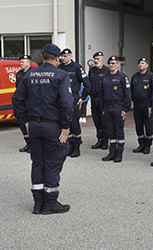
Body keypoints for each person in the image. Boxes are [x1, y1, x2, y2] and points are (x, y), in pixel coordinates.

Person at [12, 43, 73, 214]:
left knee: (37, 163)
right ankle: (49, 204)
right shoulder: (61, 75)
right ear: (56, 59)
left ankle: (38, 203)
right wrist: (66, 126)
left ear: (41, 57)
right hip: (53, 126)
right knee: (52, 163)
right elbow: (67, 103)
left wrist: (25, 120)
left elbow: (16, 99)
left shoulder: (29, 75)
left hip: (35, 126)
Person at [58, 48, 91, 158]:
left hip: (73, 97)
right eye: (62, 56)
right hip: (62, 98)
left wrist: (83, 97)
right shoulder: (59, 67)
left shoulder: (77, 67)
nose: (64, 58)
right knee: (64, 122)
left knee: (74, 124)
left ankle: (76, 147)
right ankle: (69, 147)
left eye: (66, 56)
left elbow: (87, 83)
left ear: (71, 56)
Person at [100, 56, 132, 163]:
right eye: (110, 63)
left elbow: (128, 95)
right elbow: (101, 94)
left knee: (119, 131)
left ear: (118, 64)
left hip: (118, 106)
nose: (111, 65)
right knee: (110, 131)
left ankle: (119, 153)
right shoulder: (104, 77)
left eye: (113, 63)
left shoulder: (123, 77)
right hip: (107, 107)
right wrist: (103, 108)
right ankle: (112, 152)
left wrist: (125, 109)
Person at [131, 57, 153, 154]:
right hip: (137, 104)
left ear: (147, 65)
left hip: (147, 105)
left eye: (143, 63)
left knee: (148, 125)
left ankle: (147, 145)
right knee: (138, 125)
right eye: (140, 63)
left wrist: (151, 105)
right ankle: (141, 144)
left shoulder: (151, 76)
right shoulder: (135, 76)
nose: (141, 64)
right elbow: (131, 90)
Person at [88, 51, 110, 150]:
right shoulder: (92, 70)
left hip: (103, 99)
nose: (96, 61)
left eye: (98, 59)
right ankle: (99, 140)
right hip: (94, 98)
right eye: (95, 59)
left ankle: (105, 141)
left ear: (102, 59)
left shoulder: (107, 70)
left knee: (104, 121)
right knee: (97, 120)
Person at [15, 55, 33, 153]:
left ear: (28, 63)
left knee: (30, 124)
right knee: (22, 124)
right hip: (21, 103)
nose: (21, 63)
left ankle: (33, 144)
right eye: (20, 62)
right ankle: (28, 143)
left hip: (30, 102)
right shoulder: (19, 74)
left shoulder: (33, 73)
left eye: (23, 62)